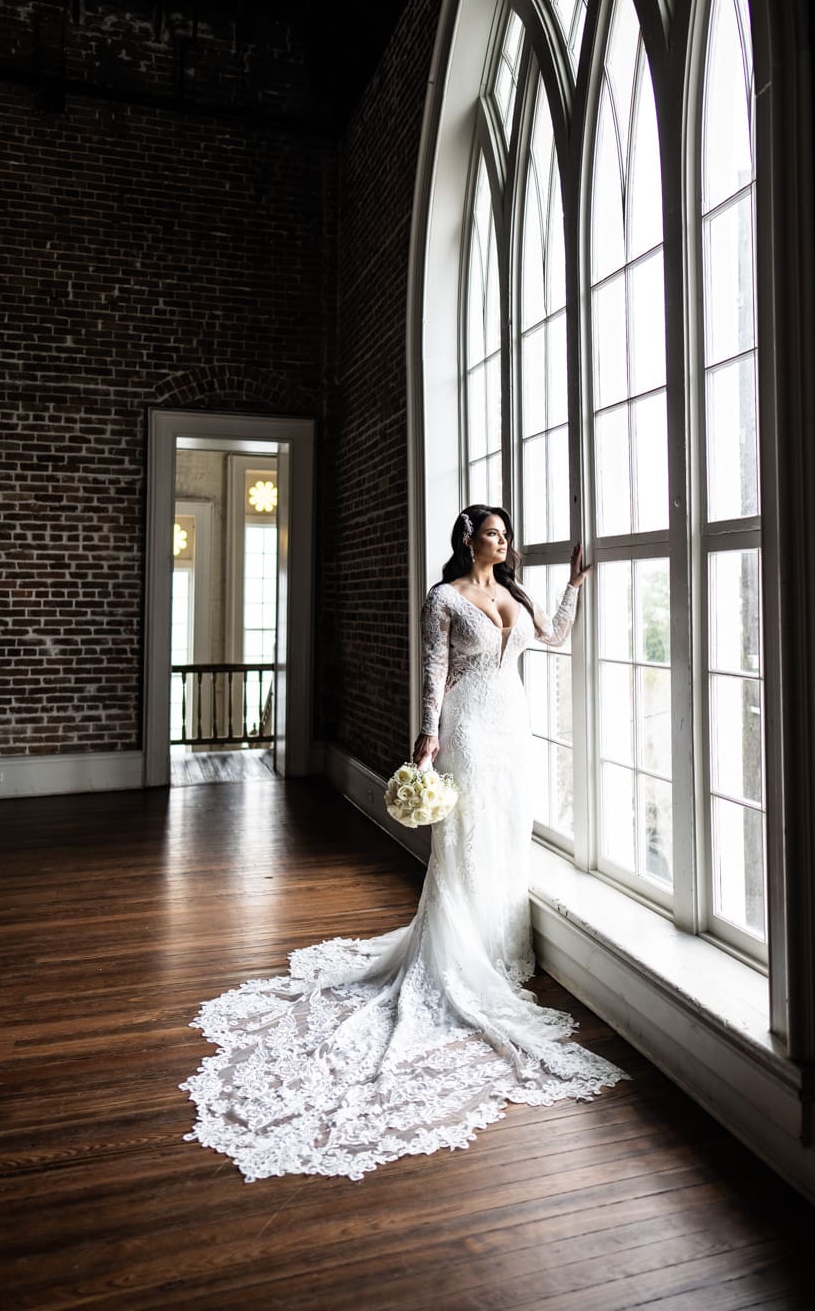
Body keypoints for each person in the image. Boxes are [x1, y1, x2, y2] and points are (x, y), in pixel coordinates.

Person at [181, 504, 626, 1182]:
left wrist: (575, 585)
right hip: (470, 725)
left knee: (506, 830)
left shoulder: (516, 593)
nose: (501, 544)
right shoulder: (443, 597)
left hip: (514, 726)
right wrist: (428, 737)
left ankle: (498, 941)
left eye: (506, 535)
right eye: (490, 534)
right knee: (467, 835)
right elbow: (434, 669)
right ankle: (459, 950)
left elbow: (557, 638)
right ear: (467, 540)